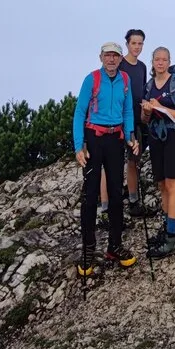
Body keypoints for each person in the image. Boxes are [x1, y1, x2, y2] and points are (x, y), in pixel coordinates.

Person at [73, 41, 139, 276]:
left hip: (116, 138)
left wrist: (130, 135)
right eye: (107, 55)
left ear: (120, 59)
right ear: (100, 57)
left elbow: (128, 110)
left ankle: (114, 245)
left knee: (115, 193)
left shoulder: (125, 80)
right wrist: (79, 145)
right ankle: (89, 249)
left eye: (115, 56)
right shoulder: (92, 79)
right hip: (94, 138)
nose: (111, 59)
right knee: (90, 195)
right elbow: (80, 111)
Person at [141, 46, 175, 258]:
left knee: (173, 184)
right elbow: (145, 120)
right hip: (156, 137)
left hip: (174, 137)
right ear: (152, 62)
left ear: (169, 62)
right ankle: (166, 226)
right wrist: (146, 112)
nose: (160, 63)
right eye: (157, 59)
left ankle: (172, 237)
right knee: (161, 184)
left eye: (164, 59)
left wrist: (162, 108)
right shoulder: (149, 86)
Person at [99, 29, 150, 223]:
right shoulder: (121, 65)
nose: (137, 47)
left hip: (135, 120)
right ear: (127, 44)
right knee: (110, 162)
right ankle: (105, 204)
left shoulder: (142, 67)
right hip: (115, 121)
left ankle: (133, 199)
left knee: (133, 160)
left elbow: (142, 92)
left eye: (140, 43)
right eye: (134, 43)